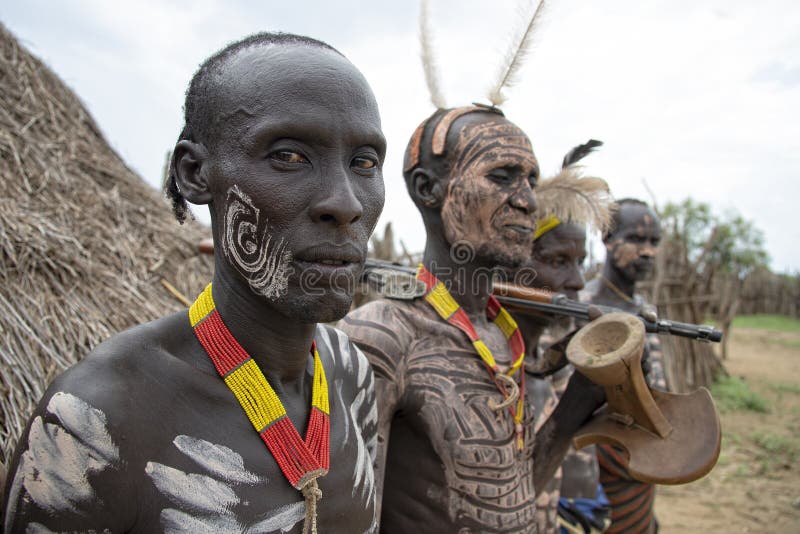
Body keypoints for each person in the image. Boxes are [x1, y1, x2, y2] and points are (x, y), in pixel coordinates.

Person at [3, 32, 385, 534]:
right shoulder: (101, 421)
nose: (346, 203)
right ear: (194, 173)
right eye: (289, 156)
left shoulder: (350, 375)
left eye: (364, 163)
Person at [339, 106, 605, 533]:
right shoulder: (383, 337)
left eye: (531, 181)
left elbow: (507, 499)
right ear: (428, 188)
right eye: (502, 177)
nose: (527, 199)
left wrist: (578, 402)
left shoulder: (500, 336)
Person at [511, 140, 615, 534]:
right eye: (557, 261)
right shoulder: (478, 369)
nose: (575, 281)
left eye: (580, 263)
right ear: (509, 262)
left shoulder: (550, 363)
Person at [582, 198, 665, 534]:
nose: (647, 252)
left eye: (654, 242)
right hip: (586, 466)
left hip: (639, 461)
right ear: (606, 238)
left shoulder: (648, 313)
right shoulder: (582, 309)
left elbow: (658, 390)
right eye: (635, 239)